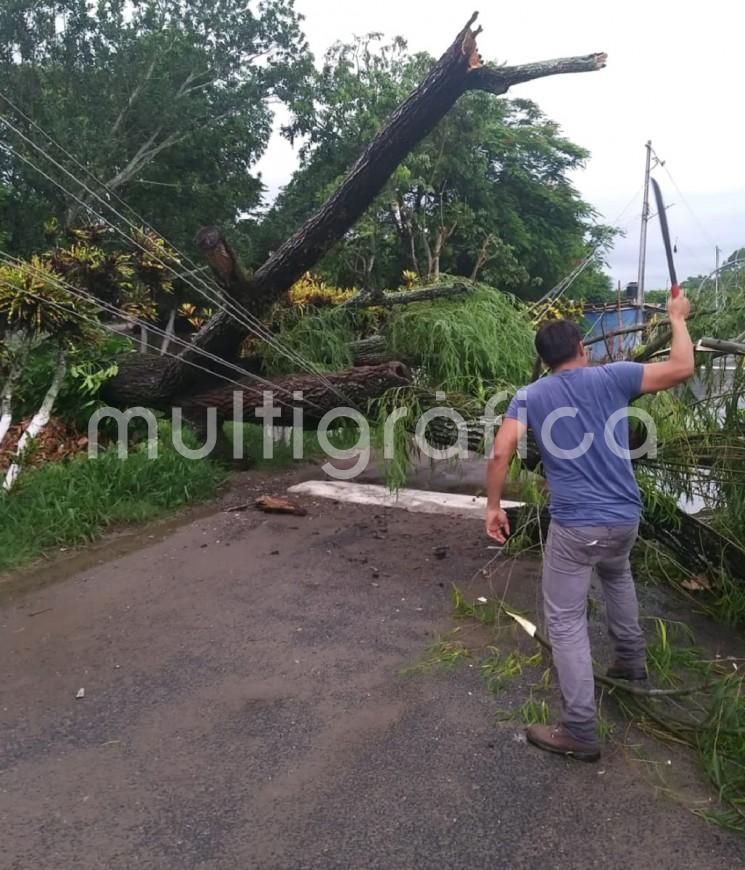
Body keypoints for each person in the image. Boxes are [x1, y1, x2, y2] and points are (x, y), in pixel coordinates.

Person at [485, 293, 694, 762]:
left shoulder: (530, 395)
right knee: (617, 574)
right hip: (624, 518)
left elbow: (500, 453)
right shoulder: (615, 376)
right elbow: (682, 367)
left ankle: (579, 730)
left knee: (564, 621)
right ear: (583, 348)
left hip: (576, 526)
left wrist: (493, 507)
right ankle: (630, 664)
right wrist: (677, 319)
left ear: (543, 360)